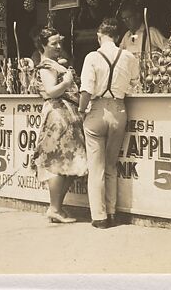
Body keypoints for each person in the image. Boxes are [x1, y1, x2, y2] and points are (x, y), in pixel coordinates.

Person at [78, 18, 139, 229]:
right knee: (112, 165)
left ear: (99, 35)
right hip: (120, 110)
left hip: (96, 111)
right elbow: (134, 83)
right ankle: (112, 213)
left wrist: (80, 110)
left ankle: (100, 217)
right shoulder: (129, 56)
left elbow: (86, 90)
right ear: (116, 36)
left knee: (97, 168)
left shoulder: (92, 57)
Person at [30, 26, 88, 223]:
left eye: (59, 42)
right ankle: (54, 208)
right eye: (53, 43)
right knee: (58, 163)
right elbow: (51, 90)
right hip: (58, 116)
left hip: (65, 115)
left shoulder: (55, 64)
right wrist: (67, 82)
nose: (58, 46)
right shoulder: (47, 66)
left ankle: (56, 208)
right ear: (43, 46)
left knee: (70, 163)